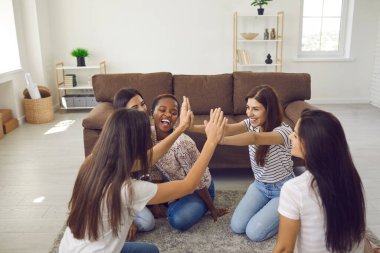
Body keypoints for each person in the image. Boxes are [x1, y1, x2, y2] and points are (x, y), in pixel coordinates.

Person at [59, 98, 227, 253]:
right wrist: (211, 141)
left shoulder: (90, 162)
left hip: (71, 248)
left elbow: (148, 158)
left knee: (150, 251)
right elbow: (189, 185)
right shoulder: (128, 190)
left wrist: (181, 129)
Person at [190, 84, 294, 241]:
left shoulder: (283, 132)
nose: (249, 113)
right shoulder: (250, 123)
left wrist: (218, 140)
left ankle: (291, 213)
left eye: (256, 109)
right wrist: (189, 126)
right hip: (260, 186)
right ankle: (274, 211)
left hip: (283, 190)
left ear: (269, 109)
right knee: (237, 226)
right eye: (248, 108)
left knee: (254, 233)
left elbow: (255, 138)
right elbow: (226, 128)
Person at [273, 109, 366, 253]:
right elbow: (358, 234)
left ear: (311, 145)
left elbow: (284, 249)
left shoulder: (294, 189)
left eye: (296, 135)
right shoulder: (352, 178)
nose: (291, 136)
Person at [149, 94, 229, 231]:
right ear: (152, 113)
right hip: (175, 183)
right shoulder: (148, 136)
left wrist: (212, 209)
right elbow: (154, 168)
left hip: (200, 188)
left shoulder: (183, 143)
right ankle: (174, 201)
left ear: (178, 118)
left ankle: (194, 205)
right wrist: (156, 205)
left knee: (177, 220)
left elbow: (198, 180)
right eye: (162, 110)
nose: (168, 115)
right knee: (150, 205)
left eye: (173, 113)